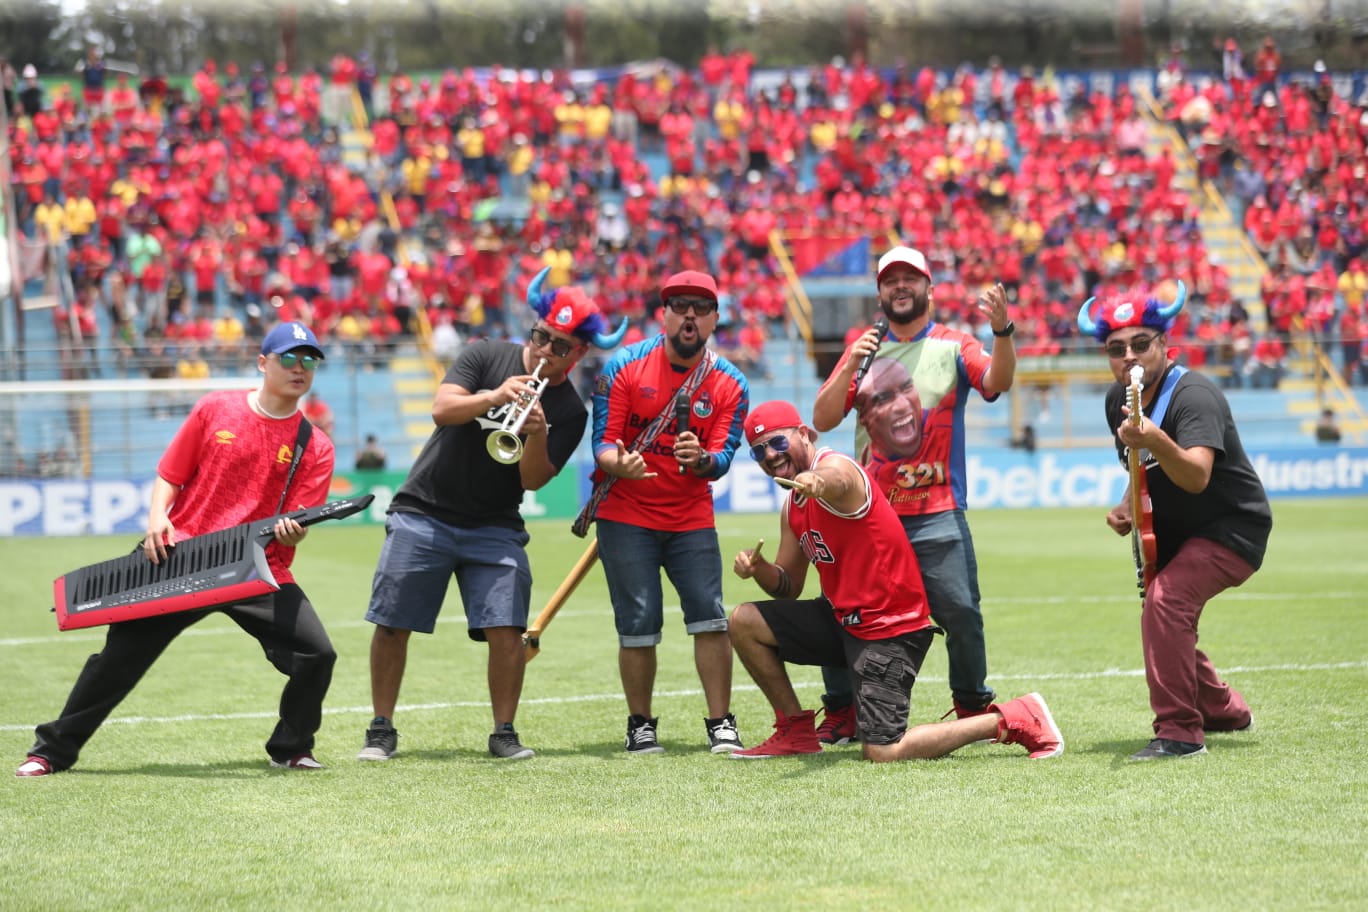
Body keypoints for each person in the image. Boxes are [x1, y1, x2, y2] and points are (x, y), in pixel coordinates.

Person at [16, 323, 337, 777]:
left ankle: (291, 747)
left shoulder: (316, 446)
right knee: (117, 662)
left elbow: (300, 518)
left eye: (309, 360)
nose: (300, 368)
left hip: (256, 567)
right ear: (263, 364)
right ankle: (50, 752)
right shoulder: (216, 408)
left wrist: (294, 534)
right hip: (180, 556)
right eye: (289, 358)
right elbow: (171, 473)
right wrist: (156, 519)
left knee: (317, 654)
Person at [358, 270, 626, 762]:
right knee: (393, 621)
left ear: (581, 353)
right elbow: (442, 409)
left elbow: (530, 480)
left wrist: (537, 432)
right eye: (541, 335)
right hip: (425, 510)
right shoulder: (485, 354)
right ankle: (381, 728)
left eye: (561, 346)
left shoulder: (569, 409)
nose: (546, 350)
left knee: (507, 627)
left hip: (495, 524)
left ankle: (503, 732)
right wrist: (494, 397)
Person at [727, 400, 1063, 762]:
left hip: (890, 628)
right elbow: (788, 586)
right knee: (744, 621)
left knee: (884, 750)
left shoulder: (838, 468)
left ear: (805, 435)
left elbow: (837, 480)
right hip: (845, 622)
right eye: (759, 450)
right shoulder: (793, 505)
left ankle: (1014, 716)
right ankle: (794, 730)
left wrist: (817, 481)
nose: (771, 456)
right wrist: (757, 568)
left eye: (778, 443)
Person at [810, 245, 1017, 744]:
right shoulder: (861, 348)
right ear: (880, 292)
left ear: (928, 288)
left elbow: (998, 381)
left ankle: (971, 704)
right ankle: (842, 709)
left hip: (937, 510)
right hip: (866, 516)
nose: (900, 286)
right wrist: (847, 369)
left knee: (961, 612)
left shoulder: (953, 344)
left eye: (910, 278)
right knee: (845, 612)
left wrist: (1003, 332)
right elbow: (821, 420)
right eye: (890, 280)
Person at [1078, 282, 1271, 761]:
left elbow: (1197, 475)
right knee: (1161, 616)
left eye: (1141, 344)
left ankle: (1180, 734)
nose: (1129, 356)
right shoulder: (1116, 400)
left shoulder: (1195, 395)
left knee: (1165, 604)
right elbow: (1140, 466)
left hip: (1232, 528)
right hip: (1178, 532)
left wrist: (1156, 439)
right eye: (1116, 349)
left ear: (1165, 343)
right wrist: (1128, 502)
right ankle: (1225, 710)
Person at [583, 269, 750, 755]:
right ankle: (640, 724)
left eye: (701, 307)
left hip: (689, 517)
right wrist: (622, 464)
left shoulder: (731, 384)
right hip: (626, 514)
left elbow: (722, 459)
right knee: (638, 622)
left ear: (716, 318)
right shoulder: (623, 367)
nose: (690, 315)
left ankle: (721, 724)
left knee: (710, 618)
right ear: (664, 313)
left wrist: (700, 460)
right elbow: (602, 444)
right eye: (680, 305)